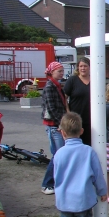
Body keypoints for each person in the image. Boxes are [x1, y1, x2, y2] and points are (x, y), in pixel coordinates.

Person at [53, 112, 107, 217]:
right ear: (81, 131)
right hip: (82, 198)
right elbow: (97, 174)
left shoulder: (59, 153)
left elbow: (56, 176)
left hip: (64, 198)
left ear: (62, 133)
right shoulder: (88, 151)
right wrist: (102, 191)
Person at [40, 61, 68, 195]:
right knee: (58, 155)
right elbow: (51, 108)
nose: (62, 73)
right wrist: (61, 124)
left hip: (55, 124)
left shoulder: (56, 85)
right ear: (52, 72)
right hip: (54, 125)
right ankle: (47, 183)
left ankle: (54, 183)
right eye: (59, 71)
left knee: (58, 155)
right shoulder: (50, 86)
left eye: (62, 71)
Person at [64, 57, 92, 146]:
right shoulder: (72, 80)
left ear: (89, 67)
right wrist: (68, 113)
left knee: (89, 145)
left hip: (91, 120)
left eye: (85, 66)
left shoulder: (95, 80)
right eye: (81, 66)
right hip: (76, 120)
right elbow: (64, 97)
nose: (83, 68)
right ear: (78, 68)